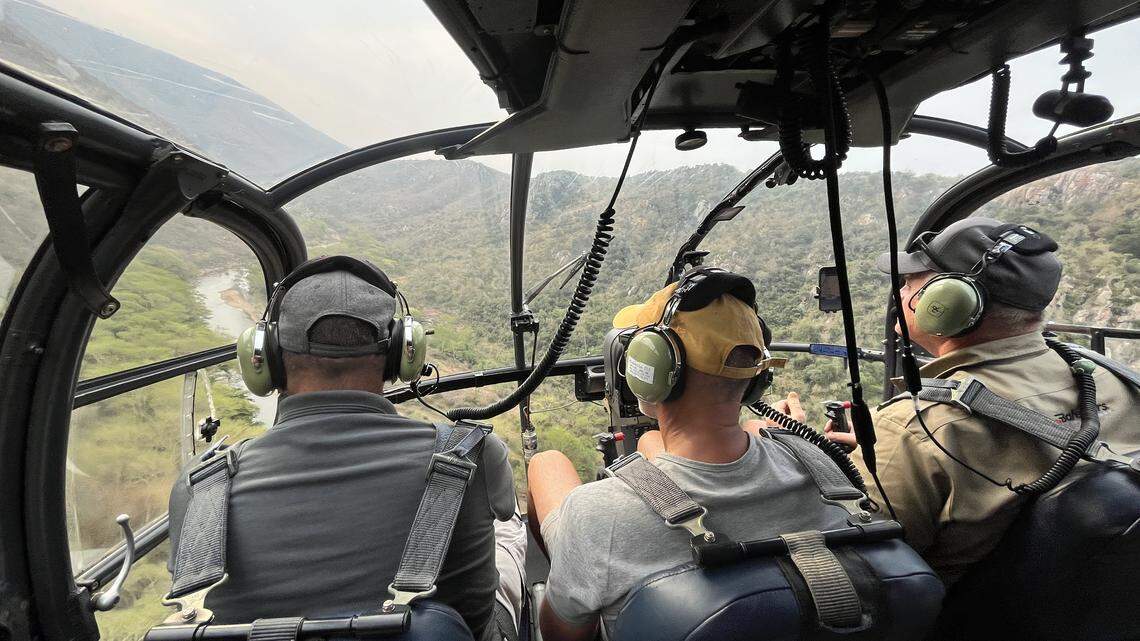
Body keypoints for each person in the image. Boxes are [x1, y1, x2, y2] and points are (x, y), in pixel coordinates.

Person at [167, 261, 524, 641]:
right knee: (508, 532)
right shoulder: (472, 455)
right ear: (404, 354)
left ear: (265, 357)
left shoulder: (200, 486)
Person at [812, 217, 1140, 585]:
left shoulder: (915, 429)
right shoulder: (1114, 377)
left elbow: (854, 575)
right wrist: (891, 457)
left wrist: (796, 450)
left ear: (947, 301)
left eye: (909, 283)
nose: (900, 293)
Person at [526, 274, 851, 641]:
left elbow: (562, 636)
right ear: (757, 379)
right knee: (651, 440)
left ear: (653, 369)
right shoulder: (828, 473)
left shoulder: (596, 514)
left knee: (547, 462)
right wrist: (785, 433)